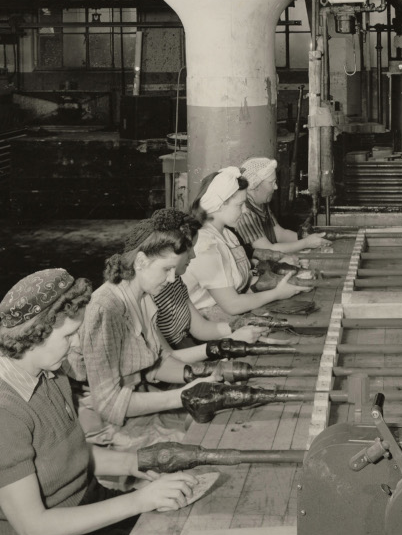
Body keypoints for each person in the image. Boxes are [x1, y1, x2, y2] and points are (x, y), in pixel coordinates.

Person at [0, 269, 198, 535]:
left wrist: (135, 463)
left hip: (78, 522)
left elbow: (67, 455)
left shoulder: (48, 374)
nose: (74, 344)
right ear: (34, 333)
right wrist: (140, 498)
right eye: (68, 335)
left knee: (177, 530)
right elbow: (34, 528)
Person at [71, 222, 217, 451]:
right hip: (105, 427)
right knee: (204, 444)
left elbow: (158, 363)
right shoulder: (105, 309)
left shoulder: (144, 297)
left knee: (214, 424)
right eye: (166, 269)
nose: (171, 279)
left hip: (139, 404)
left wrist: (210, 373)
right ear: (140, 261)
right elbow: (108, 404)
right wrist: (184, 395)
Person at [183, 166, 311, 322]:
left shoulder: (228, 234)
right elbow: (232, 305)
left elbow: (244, 283)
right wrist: (278, 293)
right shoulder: (206, 246)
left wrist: (288, 280)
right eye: (239, 205)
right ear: (219, 204)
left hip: (229, 314)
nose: (245, 211)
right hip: (207, 322)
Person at [148, 208, 266, 362]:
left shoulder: (174, 279)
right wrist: (226, 343)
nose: (194, 255)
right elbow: (167, 360)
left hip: (188, 351)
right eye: (189, 249)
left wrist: (240, 325)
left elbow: (200, 328)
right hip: (175, 364)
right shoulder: (148, 292)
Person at [232, 156, 331, 254]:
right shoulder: (244, 212)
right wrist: (306, 243)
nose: (276, 187)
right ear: (255, 186)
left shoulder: (261, 204)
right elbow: (266, 250)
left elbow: (279, 234)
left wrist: (305, 237)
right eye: (272, 182)